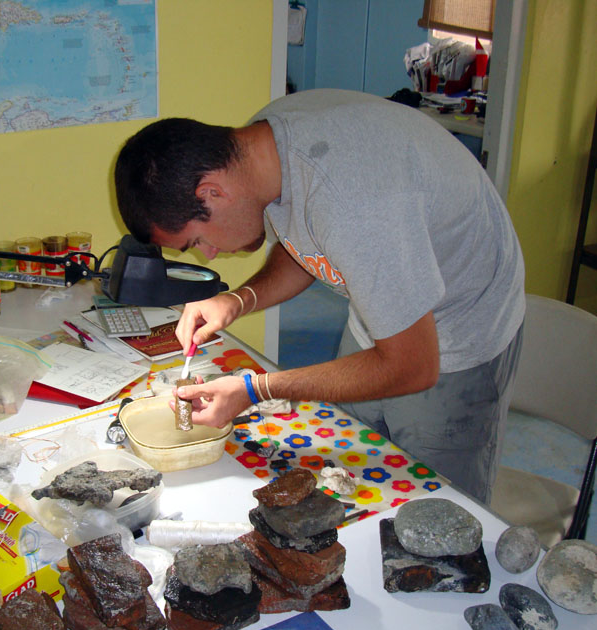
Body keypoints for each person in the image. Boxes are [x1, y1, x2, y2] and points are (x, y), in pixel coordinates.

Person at [113, 89, 525, 504]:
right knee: (355, 480)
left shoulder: (355, 207)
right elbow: (309, 243)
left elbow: (411, 365)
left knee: (438, 517)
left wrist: (256, 389)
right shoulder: (262, 147)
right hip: (384, 313)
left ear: (212, 192)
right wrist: (238, 300)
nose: (210, 254)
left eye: (197, 240)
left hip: (456, 336)